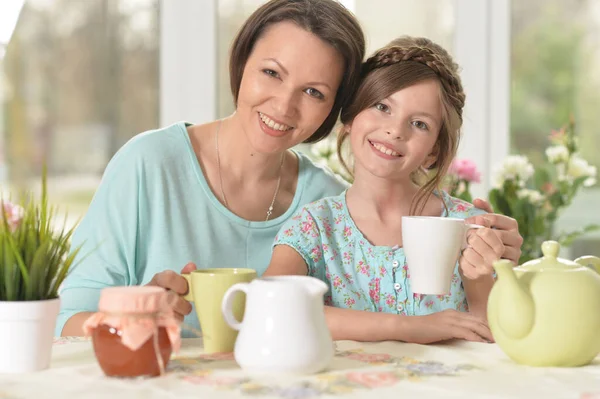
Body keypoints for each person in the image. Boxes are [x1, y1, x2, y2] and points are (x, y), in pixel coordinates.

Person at [57, 0, 366, 337]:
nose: (283, 105)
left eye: (313, 92)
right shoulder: (148, 164)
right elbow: (66, 321)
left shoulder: (331, 203)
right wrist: (134, 315)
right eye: (272, 73)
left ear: (333, 107)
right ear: (242, 62)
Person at [264, 36, 523, 344]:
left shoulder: (469, 226)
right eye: (382, 106)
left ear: (433, 152)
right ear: (350, 117)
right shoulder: (315, 227)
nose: (395, 130)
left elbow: (494, 338)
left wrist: (478, 276)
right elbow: (272, 305)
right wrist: (409, 327)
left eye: (420, 124)